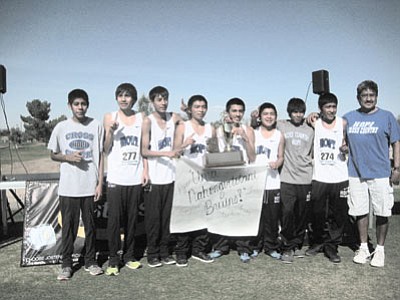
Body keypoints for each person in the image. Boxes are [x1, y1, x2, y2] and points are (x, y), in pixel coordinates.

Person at [48, 89, 104, 280]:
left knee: (90, 227)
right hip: (69, 187)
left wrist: (100, 183)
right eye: (76, 104)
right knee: (69, 228)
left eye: (84, 104)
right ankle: (66, 265)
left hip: (89, 186)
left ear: (88, 104)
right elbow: (53, 154)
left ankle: (91, 262)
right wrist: (67, 157)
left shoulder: (96, 125)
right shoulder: (61, 127)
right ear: (70, 105)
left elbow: (101, 156)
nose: (80, 107)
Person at [343, 80, 400, 267]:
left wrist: (397, 168)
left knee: (382, 212)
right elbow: (332, 128)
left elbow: (396, 143)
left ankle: (380, 250)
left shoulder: (387, 116)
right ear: (358, 98)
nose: (368, 98)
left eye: (371, 95)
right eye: (364, 95)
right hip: (356, 173)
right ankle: (363, 247)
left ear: (376, 96)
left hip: (381, 173)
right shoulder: (348, 117)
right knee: (359, 212)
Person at [103, 83, 149, 276]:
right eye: (120, 95)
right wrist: (111, 132)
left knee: (131, 221)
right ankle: (113, 260)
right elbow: (105, 149)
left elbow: (144, 149)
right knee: (114, 221)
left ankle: (129, 256)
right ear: (116, 98)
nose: (123, 99)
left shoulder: (142, 118)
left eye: (127, 96)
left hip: (135, 178)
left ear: (134, 99)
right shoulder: (109, 117)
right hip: (116, 178)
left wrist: (145, 171)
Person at [208, 97, 256, 263]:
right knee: (222, 212)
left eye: (240, 111)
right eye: (234, 111)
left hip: (242, 178)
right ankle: (221, 246)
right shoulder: (219, 129)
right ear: (227, 112)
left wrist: (245, 138)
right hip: (224, 178)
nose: (237, 114)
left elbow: (252, 156)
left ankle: (244, 247)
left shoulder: (248, 129)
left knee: (241, 213)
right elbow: (212, 151)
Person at [141, 86, 182, 267]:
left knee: (167, 218)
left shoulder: (174, 118)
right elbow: (143, 150)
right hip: (154, 178)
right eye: (159, 99)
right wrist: (165, 154)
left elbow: (188, 124)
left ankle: (165, 252)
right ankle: (152, 254)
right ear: (152, 102)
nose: (163, 102)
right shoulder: (147, 121)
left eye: (165, 98)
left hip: (171, 176)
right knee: (153, 219)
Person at [305, 92, 349, 263]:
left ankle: (332, 246)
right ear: (320, 109)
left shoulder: (343, 123)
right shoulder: (314, 123)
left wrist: (346, 148)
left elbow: (348, 144)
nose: (331, 110)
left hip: (339, 176)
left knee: (337, 214)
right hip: (320, 176)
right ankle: (317, 242)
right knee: (317, 213)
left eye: (334, 106)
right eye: (328, 107)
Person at [173, 95, 215, 267]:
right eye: (197, 106)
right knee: (185, 216)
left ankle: (199, 249)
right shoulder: (183, 126)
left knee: (204, 215)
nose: (201, 109)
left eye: (203, 106)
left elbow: (214, 153)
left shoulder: (210, 128)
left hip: (204, 179)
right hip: (186, 177)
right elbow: (174, 152)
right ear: (190, 109)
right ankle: (181, 252)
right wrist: (184, 144)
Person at [277, 98, 314, 263]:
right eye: (294, 112)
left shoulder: (311, 129)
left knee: (301, 215)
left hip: (305, 178)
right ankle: (287, 247)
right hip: (287, 178)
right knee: (287, 213)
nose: (298, 115)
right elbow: (265, 120)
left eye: (301, 112)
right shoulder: (282, 125)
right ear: (289, 112)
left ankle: (297, 243)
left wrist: (315, 115)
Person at [252, 102, 284, 260]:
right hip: (256, 182)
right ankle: (255, 245)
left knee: (272, 217)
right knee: (257, 216)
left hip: (272, 182)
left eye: (272, 113)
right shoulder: (253, 133)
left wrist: (277, 163)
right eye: (265, 113)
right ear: (259, 116)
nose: (269, 116)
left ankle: (271, 246)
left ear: (276, 117)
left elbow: (281, 156)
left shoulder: (279, 135)